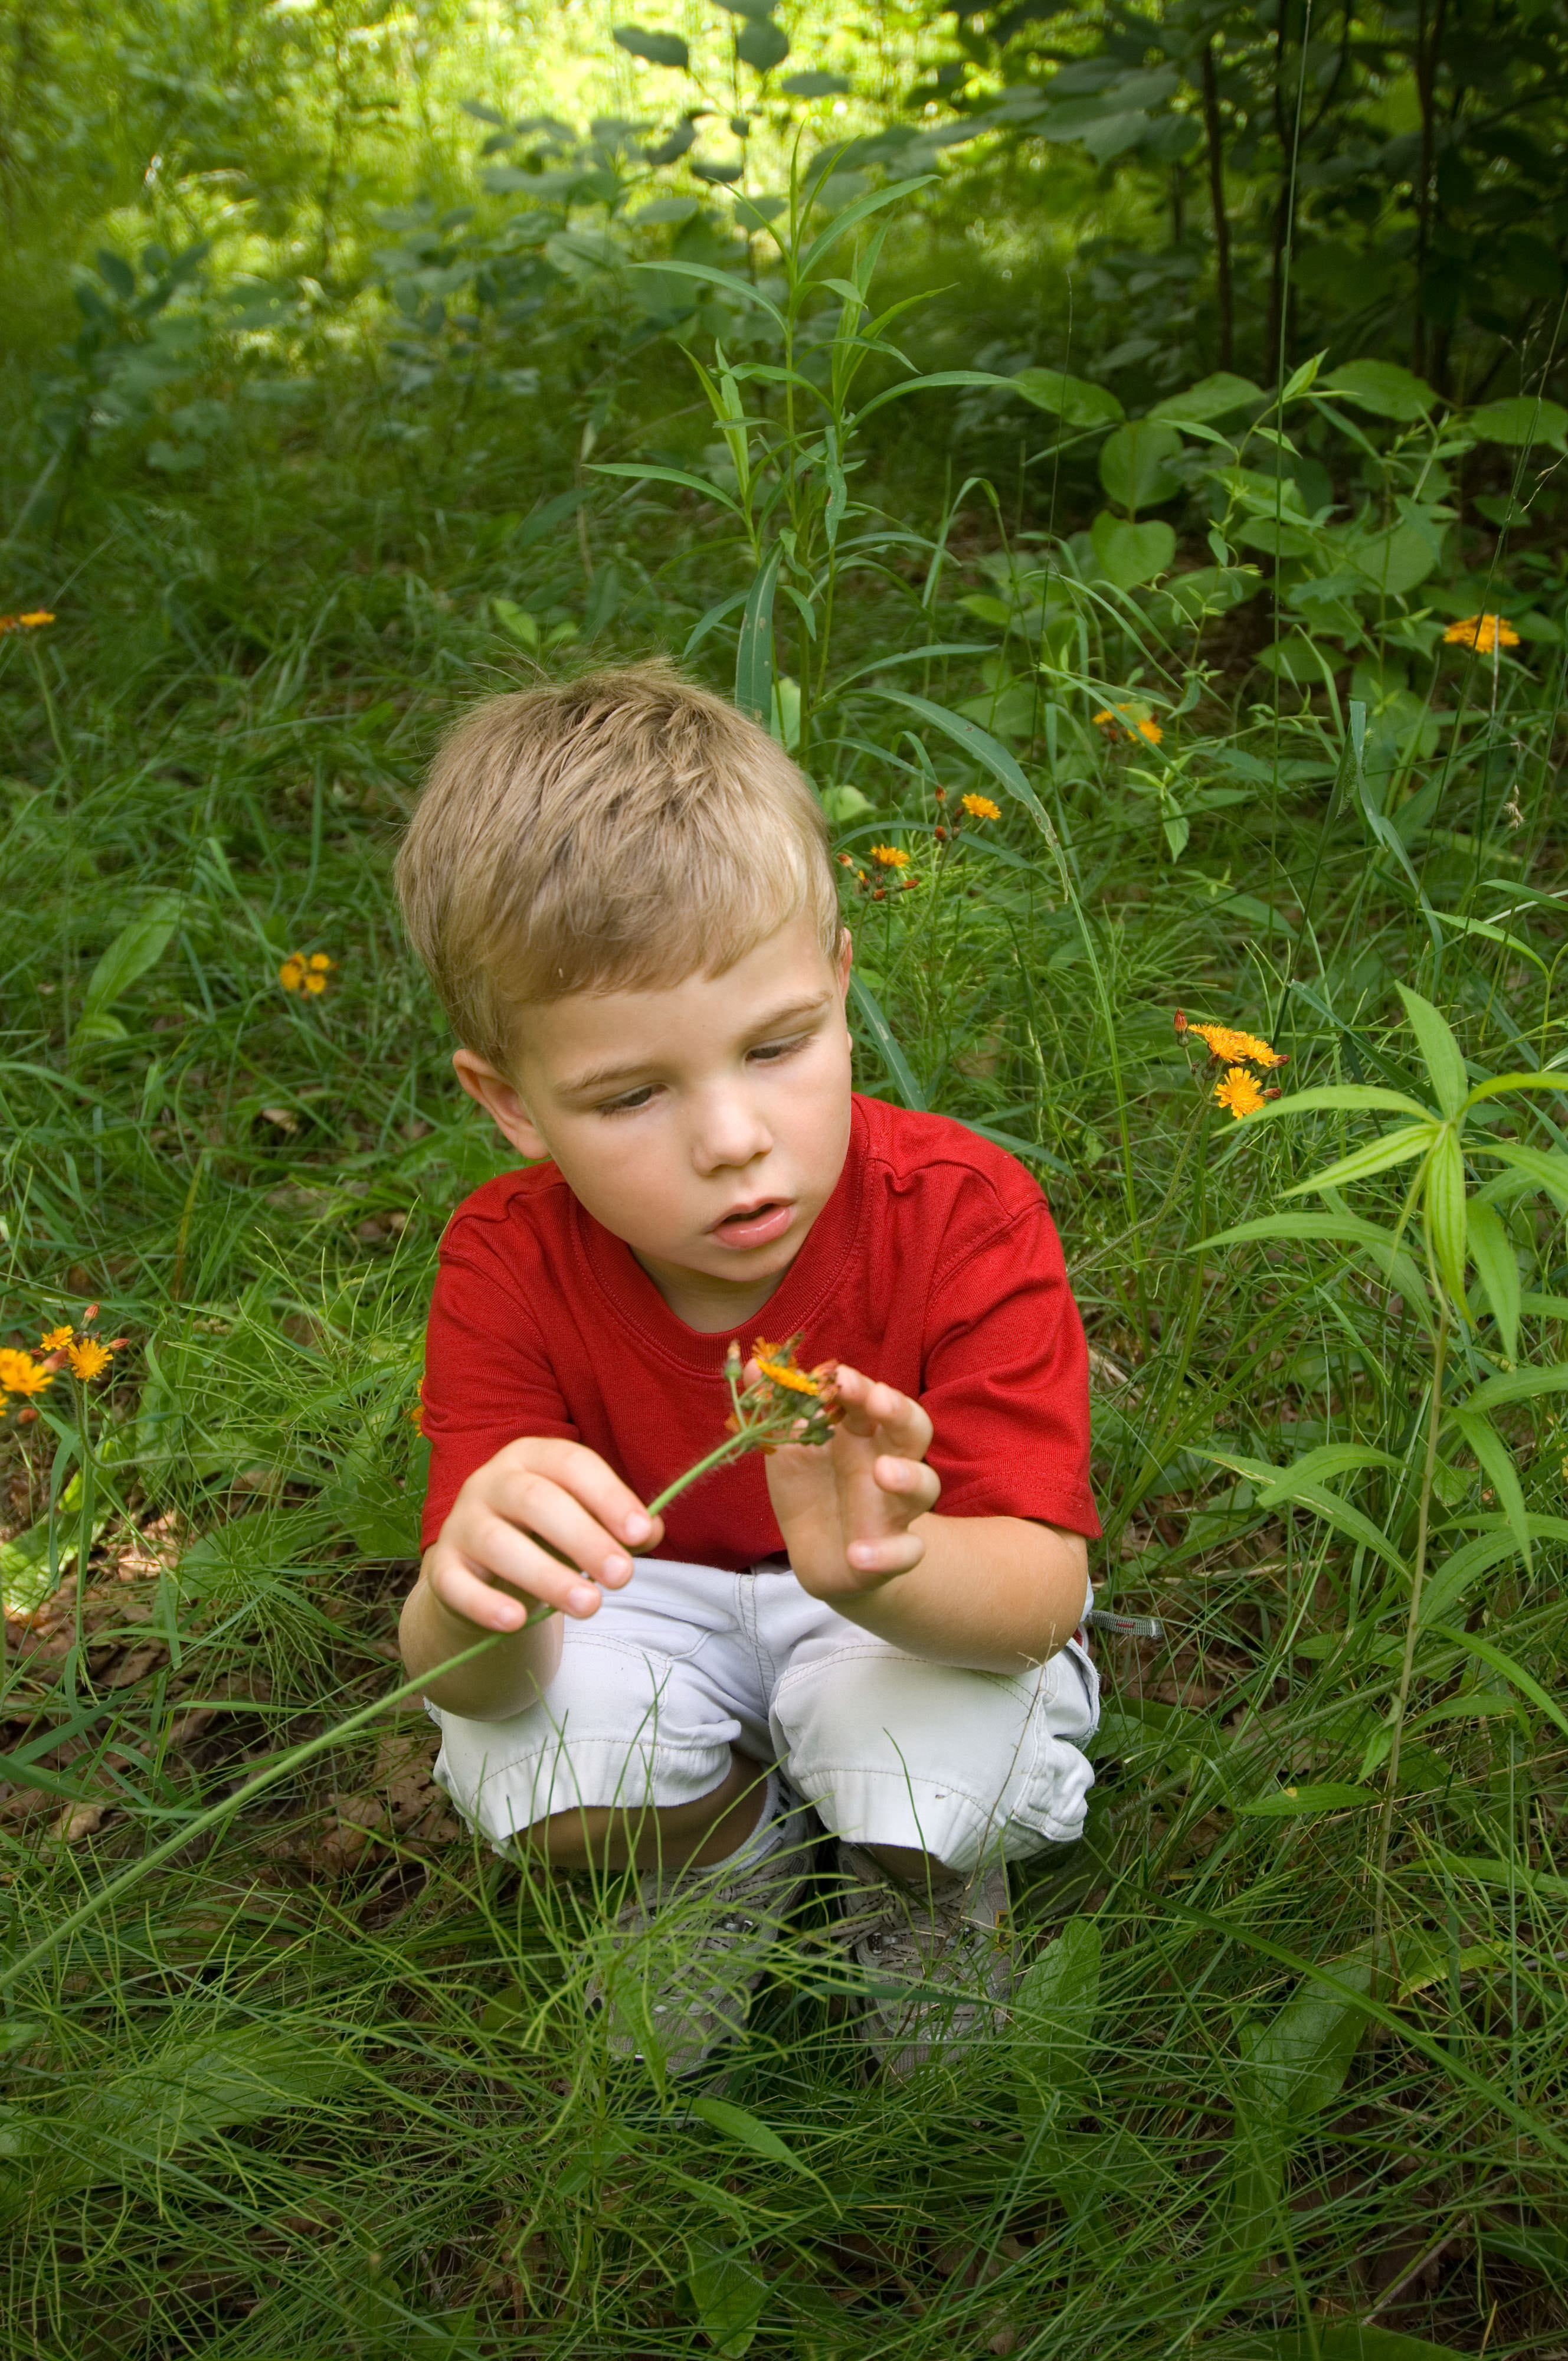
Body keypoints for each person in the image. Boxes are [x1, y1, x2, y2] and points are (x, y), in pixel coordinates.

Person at [394, 662, 1101, 2079]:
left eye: (777, 1046)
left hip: (908, 1605)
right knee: (535, 1768)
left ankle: (915, 1882)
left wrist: (883, 1569)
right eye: (632, 1092)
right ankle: (721, 1840)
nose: (733, 1137)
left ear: (840, 978)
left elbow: (1037, 1602)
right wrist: (477, 1587)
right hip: (647, 1600)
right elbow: (472, 1685)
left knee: (929, 1772)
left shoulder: (961, 1212)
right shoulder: (506, 1263)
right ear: (510, 1102)